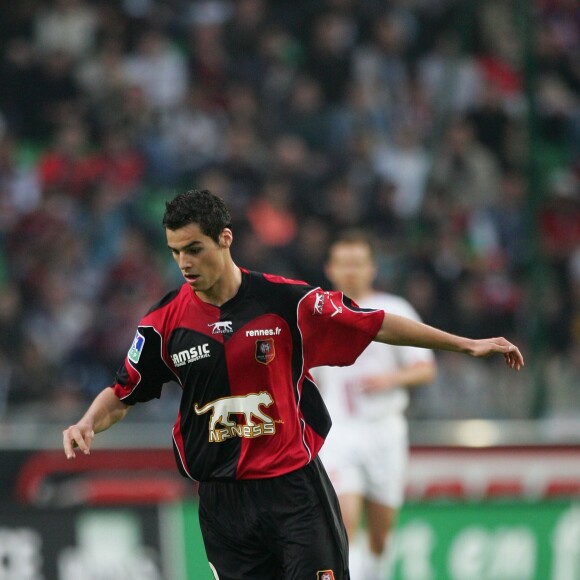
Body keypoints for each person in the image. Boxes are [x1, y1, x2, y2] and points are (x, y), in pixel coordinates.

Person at [62, 189, 524, 580]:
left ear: (225, 239)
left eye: (194, 249)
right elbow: (123, 392)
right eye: (175, 251)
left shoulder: (286, 300)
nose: (184, 262)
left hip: (293, 490)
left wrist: (466, 345)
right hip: (223, 504)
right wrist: (87, 422)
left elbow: (374, 322)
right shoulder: (163, 323)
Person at [313, 230, 437, 580]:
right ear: (330, 268)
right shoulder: (316, 315)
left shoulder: (393, 309)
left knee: (381, 535)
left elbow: (425, 367)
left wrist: (390, 380)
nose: (350, 271)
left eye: (358, 263)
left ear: (372, 268)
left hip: (384, 431)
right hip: (338, 434)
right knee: (344, 524)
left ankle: (375, 572)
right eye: (344, 263)